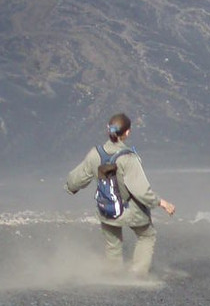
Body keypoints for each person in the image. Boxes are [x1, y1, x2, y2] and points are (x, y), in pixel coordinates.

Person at [65, 113, 176, 277]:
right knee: (146, 235)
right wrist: (162, 203)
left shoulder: (95, 154)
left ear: (107, 129)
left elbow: (76, 179)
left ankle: (114, 275)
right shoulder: (128, 158)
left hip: (107, 209)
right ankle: (137, 274)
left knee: (113, 243)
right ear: (127, 132)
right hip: (131, 211)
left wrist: (69, 187)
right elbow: (141, 191)